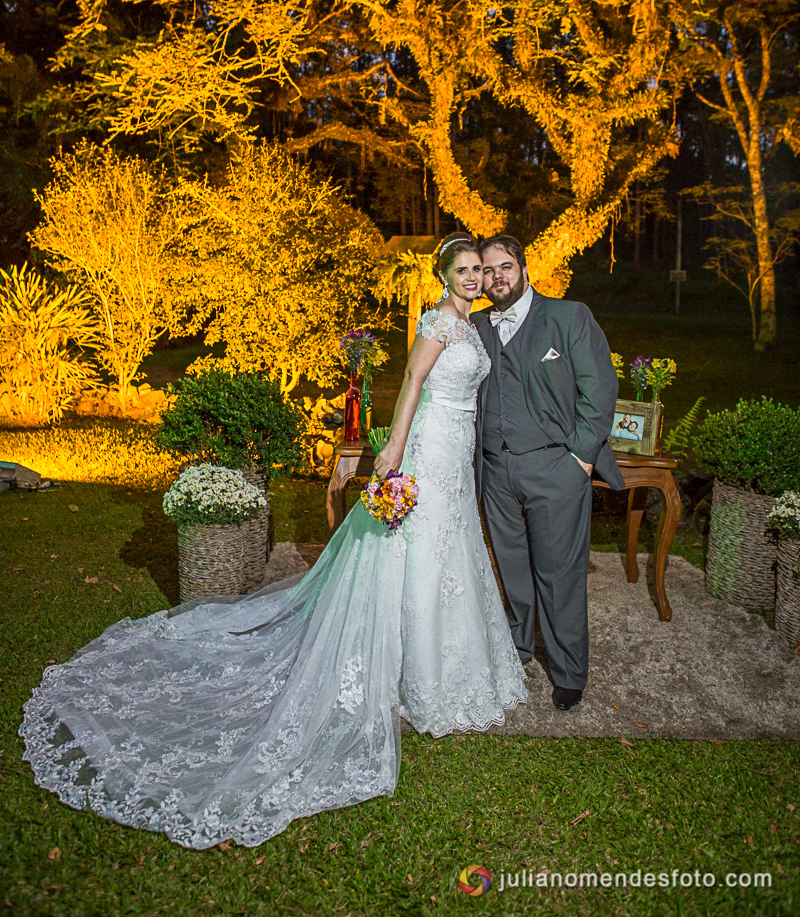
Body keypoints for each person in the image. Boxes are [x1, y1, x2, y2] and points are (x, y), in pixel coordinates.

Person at [20, 234, 525, 850]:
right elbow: (412, 389)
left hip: (458, 452)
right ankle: (417, 674)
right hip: (426, 450)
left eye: (479, 270)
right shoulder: (436, 322)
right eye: (464, 269)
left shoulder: (471, 327)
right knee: (418, 553)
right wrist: (391, 453)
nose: (474, 277)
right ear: (443, 273)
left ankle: (448, 664)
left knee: (450, 553)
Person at [474, 235, 624, 712]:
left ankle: (567, 670)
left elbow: (599, 390)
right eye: (489, 269)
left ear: (523, 268)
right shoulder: (475, 325)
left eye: (505, 266)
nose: (497, 276)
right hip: (496, 471)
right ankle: (517, 650)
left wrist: (579, 460)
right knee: (513, 570)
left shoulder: (567, 317)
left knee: (559, 574)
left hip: (555, 468)